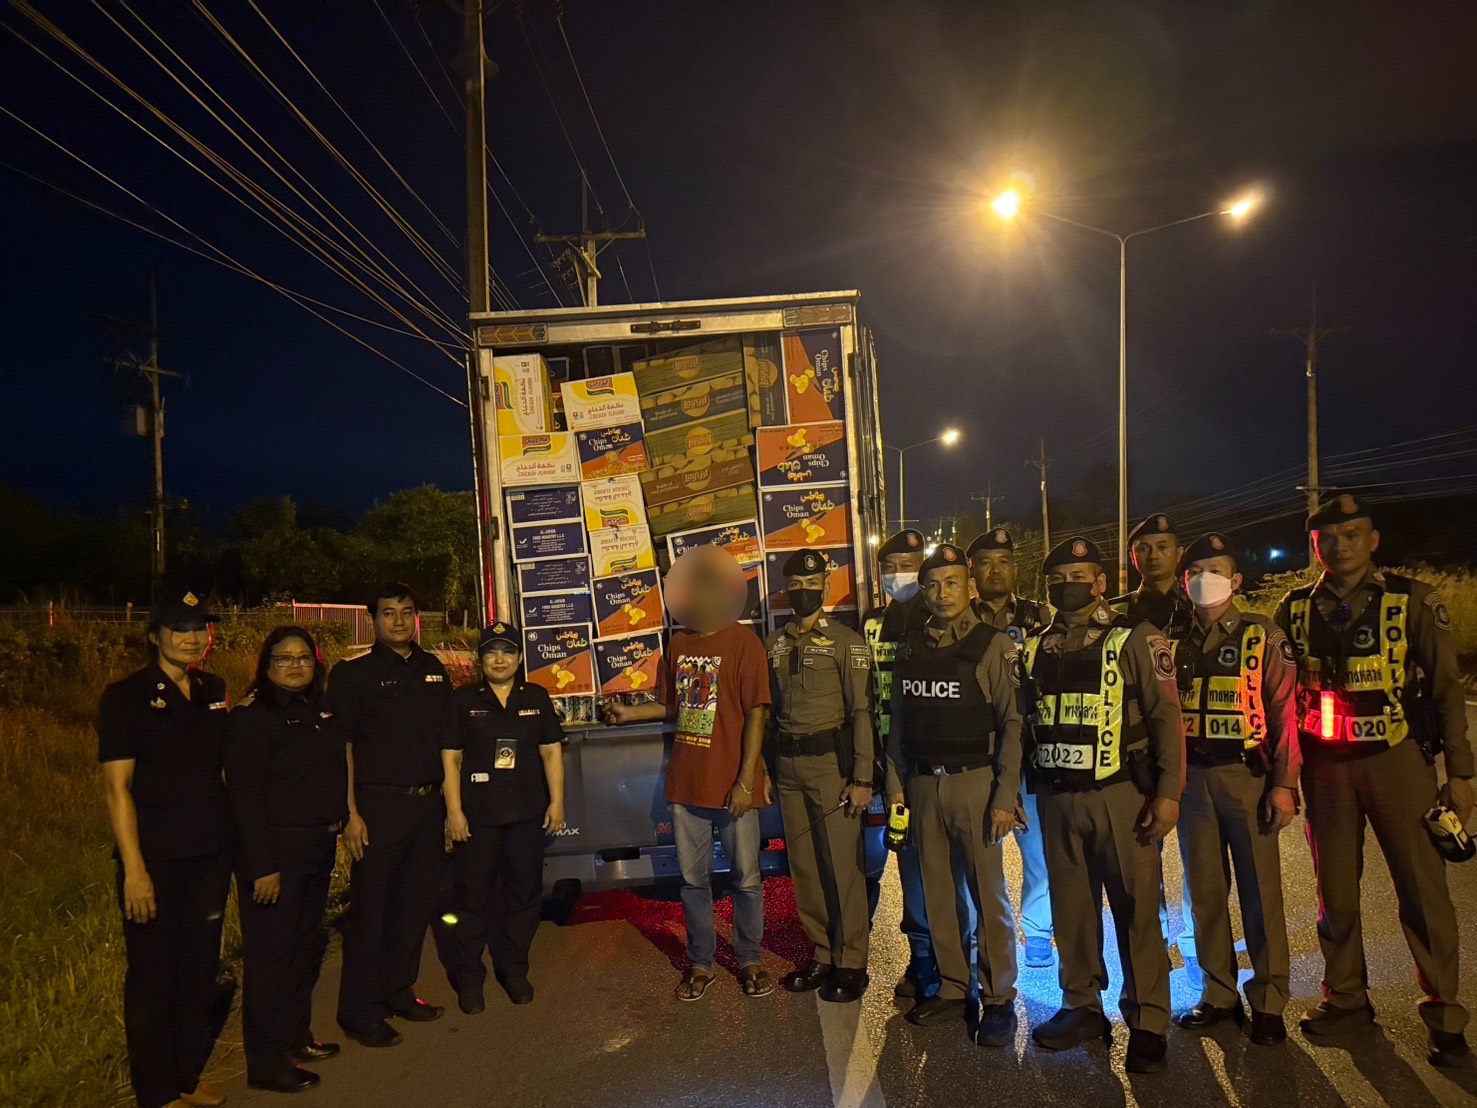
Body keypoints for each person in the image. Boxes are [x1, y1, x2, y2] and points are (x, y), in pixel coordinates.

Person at [1275, 494, 1473, 1066]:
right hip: (1325, 767)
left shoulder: (1413, 601)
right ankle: (1346, 1000)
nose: (1341, 547)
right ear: (1314, 546)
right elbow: (1281, 697)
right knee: (1335, 892)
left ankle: (1445, 1014)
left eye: (1353, 535)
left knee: (1422, 889)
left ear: (1374, 540)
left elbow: (1446, 689)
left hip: (1397, 759)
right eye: (1328, 539)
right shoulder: (1293, 609)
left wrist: (1461, 773)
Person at [1022, 537, 1183, 1074]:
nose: (1068, 586)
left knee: (1137, 910)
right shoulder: (1036, 646)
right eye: (1057, 580)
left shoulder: (1136, 637)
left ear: (1100, 583)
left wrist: (1168, 794)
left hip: (1121, 795)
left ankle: (1148, 1021)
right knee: (1072, 911)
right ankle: (1082, 1006)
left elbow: (1166, 719)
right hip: (1058, 797)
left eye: (1078, 577)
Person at [607, 545, 773, 1001]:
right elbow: (674, 706)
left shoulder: (745, 644)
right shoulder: (679, 645)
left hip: (733, 787)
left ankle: (750, 958)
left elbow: (757, 714)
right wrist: (629, 713)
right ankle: (702, 962)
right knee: (694, 881)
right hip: (686, 786)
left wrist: (745, 782)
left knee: (746, 878)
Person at [98, 588, 235, 1108]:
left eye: (200, 629)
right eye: (180, 629)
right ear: (155, 636)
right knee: (154, 975)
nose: (192, 638)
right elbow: (118, 789)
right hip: (155, 857)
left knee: (198, 969)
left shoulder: (213, 689)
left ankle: (185, 1074)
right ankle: (155, 1091)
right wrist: (134, 870)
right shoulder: (125, 697)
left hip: (210, 852)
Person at [885, 542, 1025, 1046]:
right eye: (932, 585)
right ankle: (952, 986)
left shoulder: (993, 645)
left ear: (969, 586)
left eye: (951, 583)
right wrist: (896, 786)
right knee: (938, 894)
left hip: (975, 783)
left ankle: (998, 998)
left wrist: (1005, 796)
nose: (942, 593)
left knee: (988, 896)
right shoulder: (911, 648)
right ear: (923, 592)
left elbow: (1013, 725)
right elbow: (899, 725)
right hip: (924, 784)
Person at [1171, 535, 1299, 1046]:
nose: (1204, 580)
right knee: (1204, 893)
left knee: (1260, 892)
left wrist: (1285, 784)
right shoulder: (1172, 639)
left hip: (1247, 778)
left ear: (1236, 580)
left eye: (1215, 570)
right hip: (1192, 781)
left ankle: (1268, 1000)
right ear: (1184, 582)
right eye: (1195, 572)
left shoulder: (1262, 635)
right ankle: (1218, 993)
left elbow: (1286, 713)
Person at [226, 626, 347, 1093]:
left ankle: (296, 1038)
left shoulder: (318, 709)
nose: (295, 666)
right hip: (275, 854)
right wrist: (263, 866)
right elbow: (245, 798)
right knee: (271, 960)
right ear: (266, 664)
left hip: (317, 848)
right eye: (284, 658)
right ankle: (267, 1063)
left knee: (302, 950)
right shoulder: (251, 718)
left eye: (303, 658)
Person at [332, 583, 451, 1047]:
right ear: (373, 620)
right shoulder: (353, 675)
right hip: (378, 808)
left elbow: (447, 743)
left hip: (427, 807)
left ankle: (399, 991)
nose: (399, 621)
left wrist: (450, 809)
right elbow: (342, 748)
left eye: (406, 612)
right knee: (372, 912)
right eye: (388, 613)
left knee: (414, 907)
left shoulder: (433, 670)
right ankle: (359, 1009)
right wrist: (349, 814)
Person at [765, 549, 875, 1004]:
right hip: (789, 768)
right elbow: (768, 713)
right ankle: (823, 953)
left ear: (826, 588)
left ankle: (852, 961)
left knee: (842, 867)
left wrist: (862, 778)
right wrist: (766, 769)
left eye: (812, 585)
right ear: (786, 590)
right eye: (796, 585)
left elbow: (862, 712)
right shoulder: (775, 643)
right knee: (805, 868)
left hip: (831, 767)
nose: (804, 592)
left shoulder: (846, 642)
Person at [442, 622, 566, 1012]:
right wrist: (454, 812)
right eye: (491, 652)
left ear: (519, 657)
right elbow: (451, 759)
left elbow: (551, 752)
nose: (499, 660)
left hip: (526, 815)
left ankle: (514, 968)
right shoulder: (464, 700)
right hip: (478, 818)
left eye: (507, 652)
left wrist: (557, 802)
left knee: (524, 896)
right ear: (480, 659)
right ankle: (469, 978)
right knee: (472, 898)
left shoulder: (536, 697)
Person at [1112, 512, 1197, 981]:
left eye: (1163, 547)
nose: (1153, 556)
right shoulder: (1119, 615)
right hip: (1142, 751)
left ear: (1179, 554)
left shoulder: (1202, 608)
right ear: (1132, 557)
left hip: (1202, 748)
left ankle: (1201, 949)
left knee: (1202, 862)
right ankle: (1156, 943)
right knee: (1145, 856)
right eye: (1143, 548)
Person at [967, 527, 1053, 970]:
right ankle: (981, 932)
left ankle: (1037, 929)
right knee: (981, 848)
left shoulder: (1042, 617)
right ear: (973, 571)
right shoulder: (961, 618)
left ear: (1016, 569)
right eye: (985, 563)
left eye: (1003, 562)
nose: (995, 571)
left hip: (1032, 749)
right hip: (980, 751)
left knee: (1036, 846)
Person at [862, 528, 941, 1000]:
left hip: (941, 760)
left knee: (953, 869)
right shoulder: (873, 626)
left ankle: (965, 964)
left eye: (908, 567)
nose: (899, 576)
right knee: (910, 864)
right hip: (894, 764)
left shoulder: (944, 618)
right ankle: (923, 959)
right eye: (890, 569)